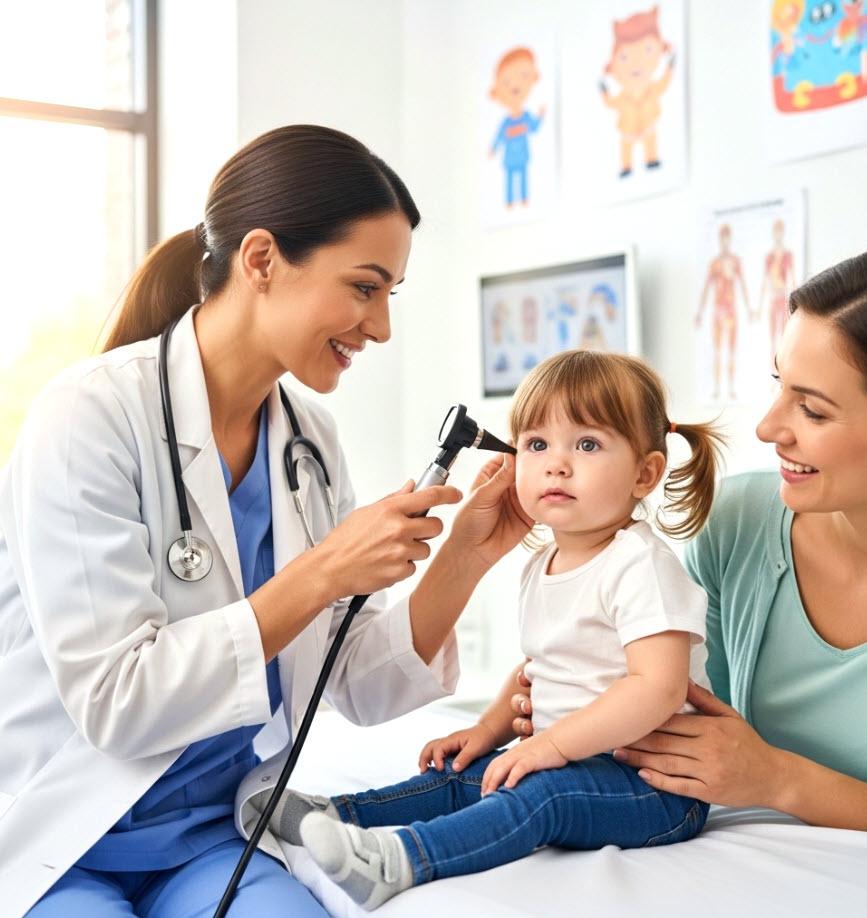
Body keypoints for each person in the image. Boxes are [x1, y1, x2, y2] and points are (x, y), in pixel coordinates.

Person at [0, 125, 530, 916]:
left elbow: (353, 683)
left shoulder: (308, 440)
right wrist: (322, 573)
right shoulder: (89, 415)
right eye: (363, 287)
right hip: (64, 833)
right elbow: (119, 702)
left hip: (214, 838)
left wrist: (462, 557)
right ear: (260, 261)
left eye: (390, 294)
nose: (380, 326)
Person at [260, 349, 725, 910]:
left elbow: (659, 687)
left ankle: (404, 860)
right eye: (536, 444)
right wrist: (487, 730)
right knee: (468, 775)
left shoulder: (640, 564)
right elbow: (538, 673)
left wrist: (550, 744)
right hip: (577, 759)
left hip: (655, 788)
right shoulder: (541, 564)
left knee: (537, 793)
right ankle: (332, 817)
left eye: (587, 444)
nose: (557, 463)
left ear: (645, 474)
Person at [528, 254, 867, 833]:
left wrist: (778, 778)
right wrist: (576, 708)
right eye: (779, 385)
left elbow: (748, 765)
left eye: (811, 409)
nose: (767, 427)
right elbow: (692, 716)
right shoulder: (738, 522)